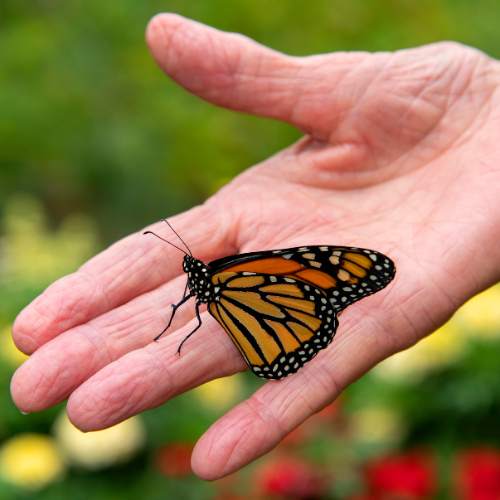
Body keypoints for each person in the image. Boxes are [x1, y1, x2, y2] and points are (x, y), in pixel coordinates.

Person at [10, 13, 500, 481]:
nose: (190, 272)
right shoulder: (218, 284)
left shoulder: (226, 279)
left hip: (291, 322)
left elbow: (290, 277)